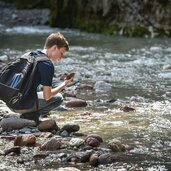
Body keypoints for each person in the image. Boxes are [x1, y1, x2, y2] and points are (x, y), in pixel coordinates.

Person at [12, 32, 73, 123]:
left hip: (10, 101)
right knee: (59, 98)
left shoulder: (29, 55)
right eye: (61, 53)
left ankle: (27, 113)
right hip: (21, 106)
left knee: (39, 88)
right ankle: (31, 116)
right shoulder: (47, 65)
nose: (61, 58)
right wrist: (63, 84)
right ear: (54, 47)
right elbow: (47, 96)